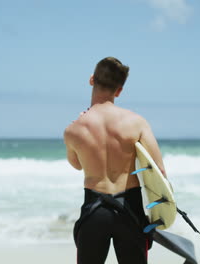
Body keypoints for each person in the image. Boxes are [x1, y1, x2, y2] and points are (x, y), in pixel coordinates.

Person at [64, 57, 167, 264]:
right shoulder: (136, 123)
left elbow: (77, 165)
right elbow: (160, 173)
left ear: (91, 80)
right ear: (119, 90)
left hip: (94, 213)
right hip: (130, 211)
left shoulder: (74, 129)